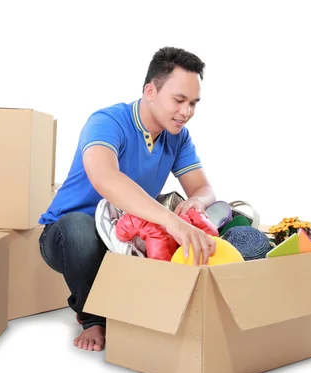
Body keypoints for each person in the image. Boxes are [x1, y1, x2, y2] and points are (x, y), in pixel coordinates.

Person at [38, 46, 217, 352]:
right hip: (68, 237)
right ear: (150, 91)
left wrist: (196, 203)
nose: (186, 112)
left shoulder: (178, 137)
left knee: (178, 235)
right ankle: (93, 318)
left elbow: (203, 189)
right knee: (79, 229)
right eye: (179, 100)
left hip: (125, 240)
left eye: (193, 103)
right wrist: (172, 221)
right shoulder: (108, 121)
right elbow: (106, 177)